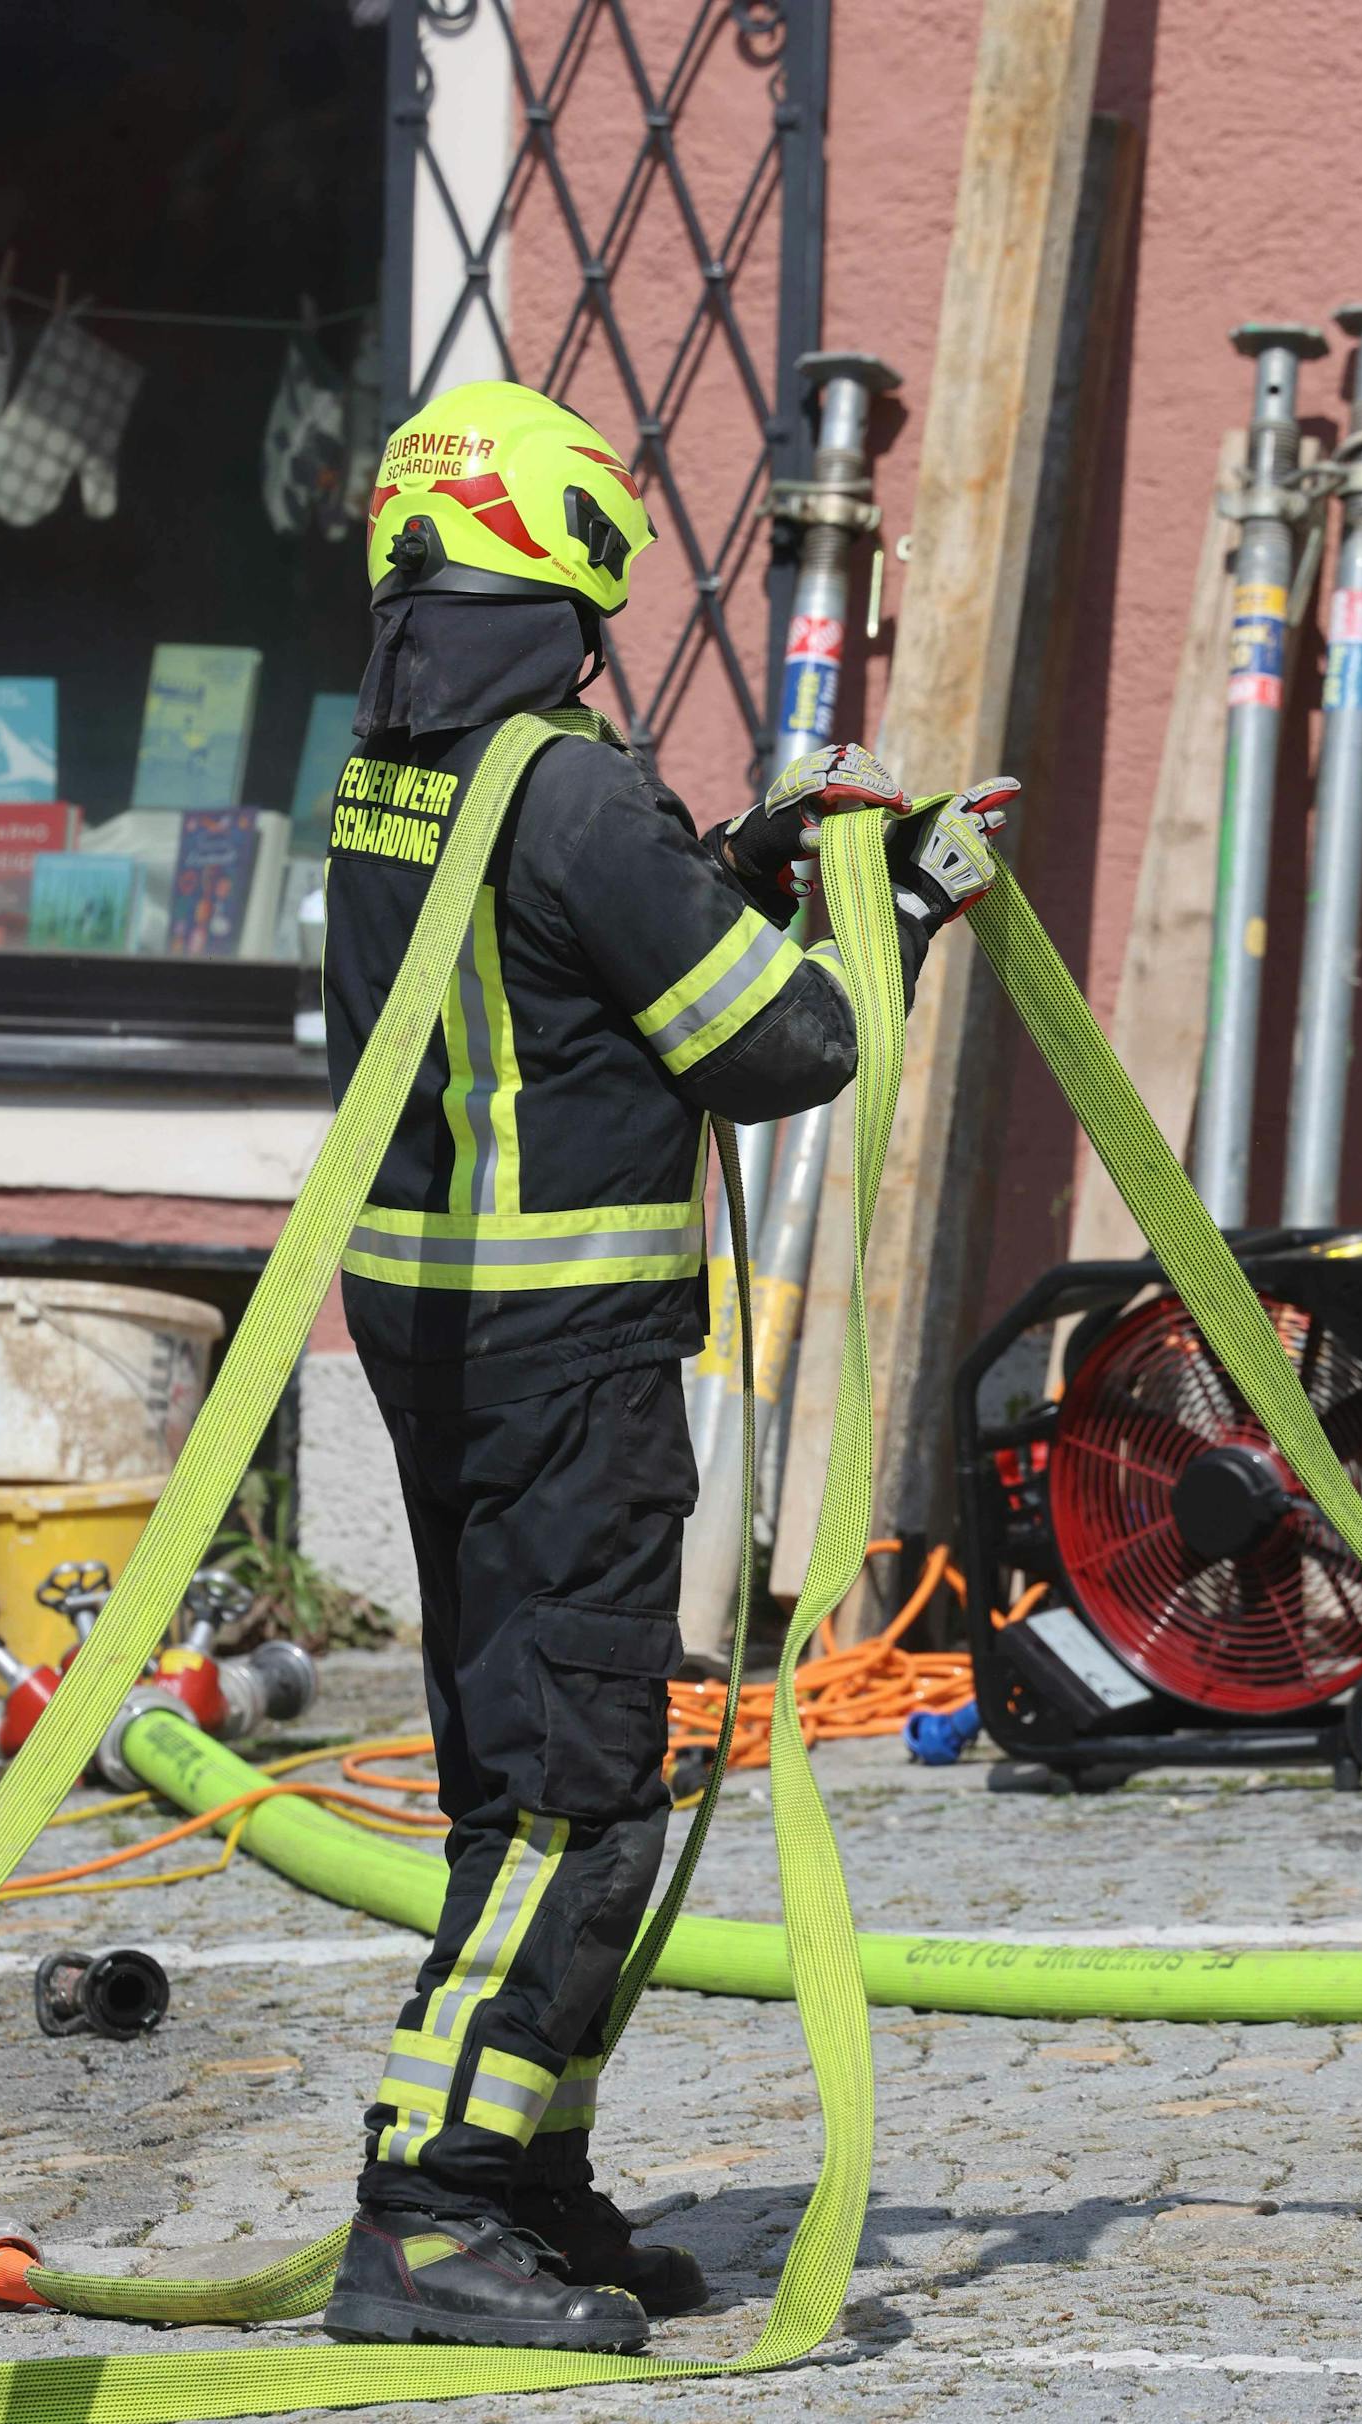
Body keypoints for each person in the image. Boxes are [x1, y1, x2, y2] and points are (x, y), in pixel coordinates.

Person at [318, 379, 1013, 2354]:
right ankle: (432, 2209)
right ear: (568, 563)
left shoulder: (394, 770)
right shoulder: (576, 790)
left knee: (505, 1779)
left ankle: (532, 2184)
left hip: (432, 1342)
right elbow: (781, 1052)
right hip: (569, 1372)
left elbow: (563, 970)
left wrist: (745, 862)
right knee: (585, 1796)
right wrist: (905, 899)